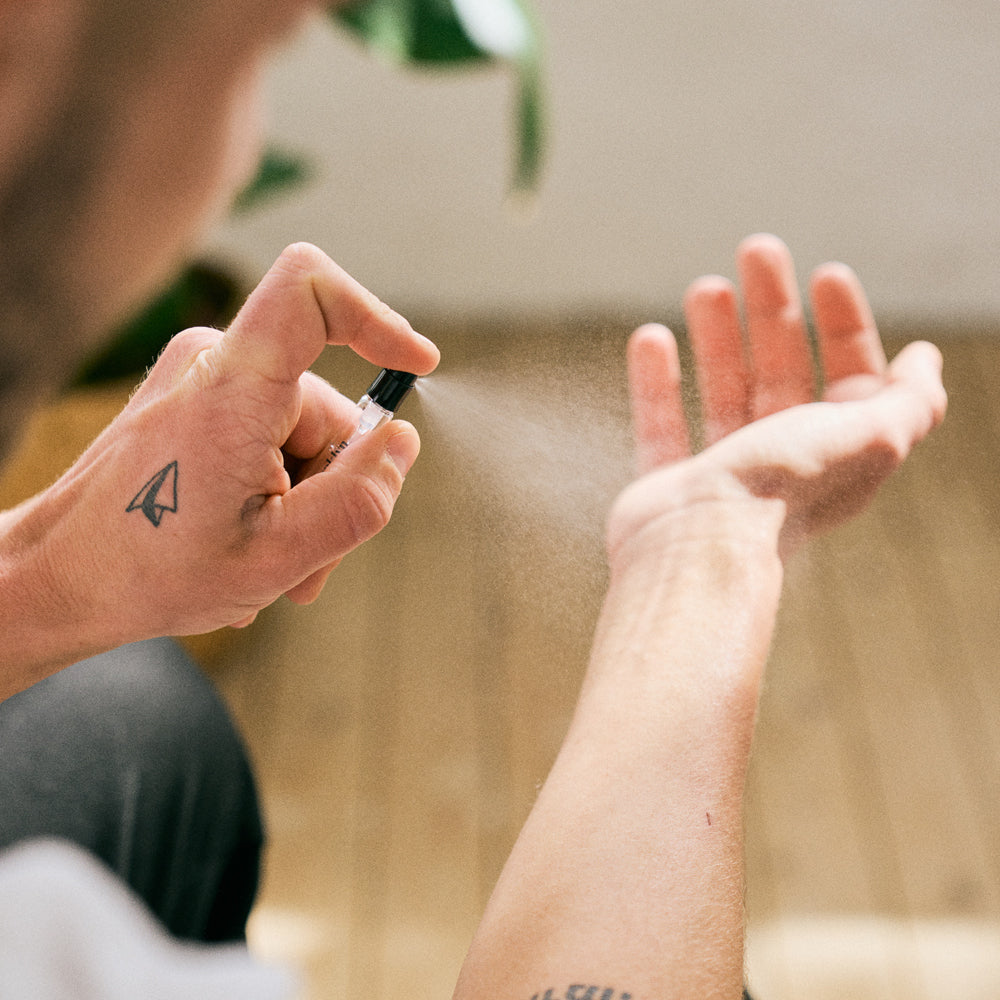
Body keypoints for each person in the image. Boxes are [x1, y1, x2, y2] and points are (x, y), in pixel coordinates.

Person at [0, 0, 946, 996]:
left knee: (126, 711)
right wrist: (707, 552)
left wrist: (47, 575)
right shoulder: (56, 947)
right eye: (254, 49)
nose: (232, 162)